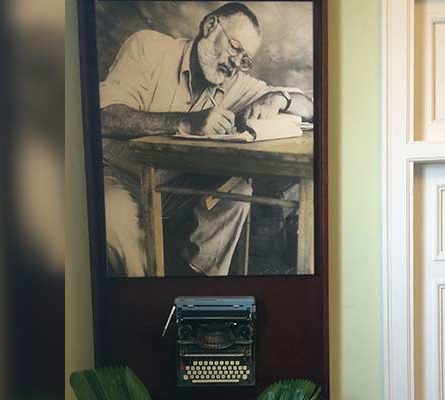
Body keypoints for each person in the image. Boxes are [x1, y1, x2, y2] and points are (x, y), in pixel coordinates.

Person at [99, 2, 313, 277]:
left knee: (238, 190)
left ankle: (199, 281)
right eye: (235, 47)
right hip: (118, 175)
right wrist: (185, 122)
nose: (235, 63)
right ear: (210, 26)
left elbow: (310, 105)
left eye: (244, 59)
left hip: (172, 188)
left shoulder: (235, 81)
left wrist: (279, 98)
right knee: (115, 216)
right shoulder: (148, 47)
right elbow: (105, 117)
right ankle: (148, 293)